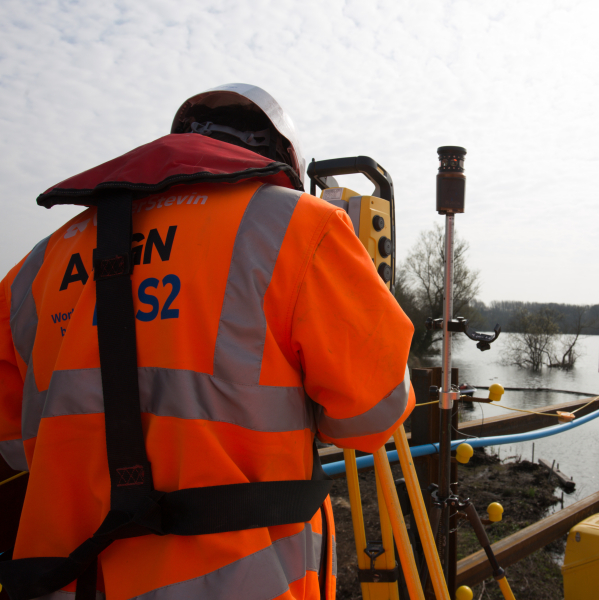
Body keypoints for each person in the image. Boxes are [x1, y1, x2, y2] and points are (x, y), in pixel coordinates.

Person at [0, 84, 414, 600]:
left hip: (68, 579)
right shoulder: (301, 227)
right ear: (281, 160)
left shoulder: (38, 265)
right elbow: (373, 415)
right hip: (241, 582)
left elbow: (16, 447)